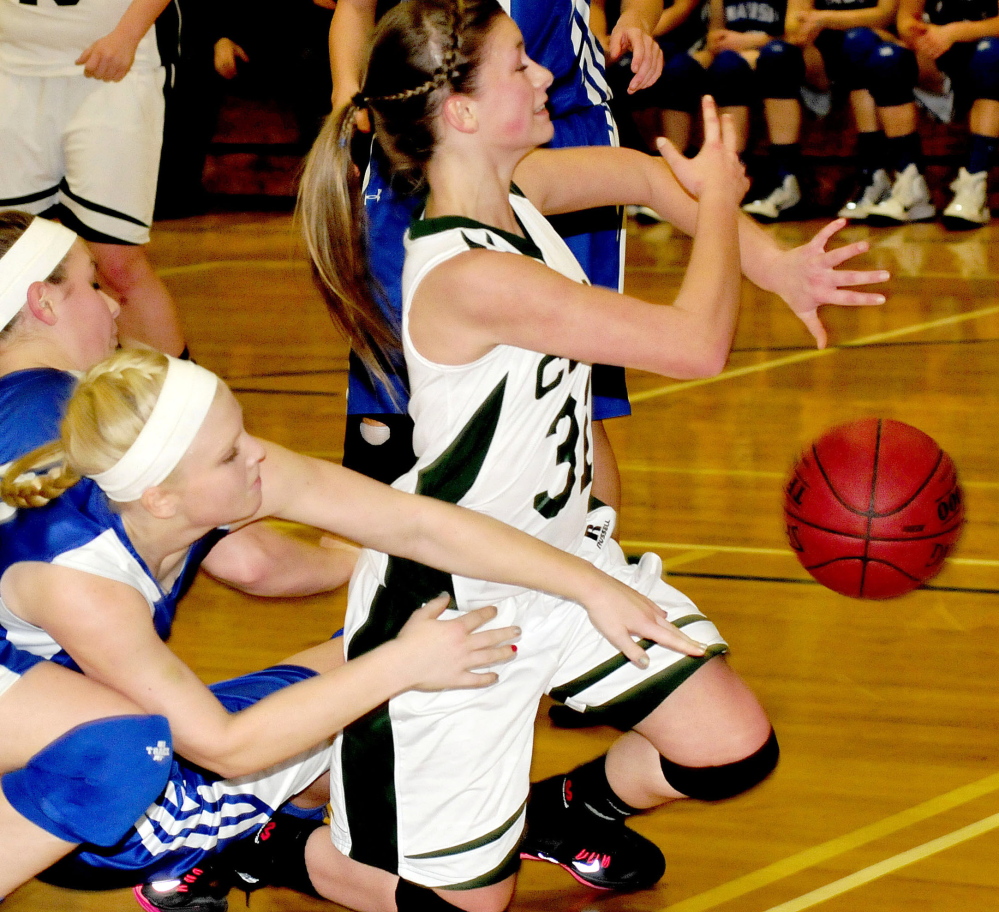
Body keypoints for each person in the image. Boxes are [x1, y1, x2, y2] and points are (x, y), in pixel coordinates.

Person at [297, 2, 891, 909]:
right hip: (463, 596)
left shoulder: (516, 187)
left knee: (730, 748)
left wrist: (777, 268)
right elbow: (692, 346)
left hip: (564, 558)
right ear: (459, 112)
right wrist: (726, 210)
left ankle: (550, 813)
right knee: (462, 908)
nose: (545, 76)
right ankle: (264, 847)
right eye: (517, 70)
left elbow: (649, 181)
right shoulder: (470, 273)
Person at [1, 341, 728, 908]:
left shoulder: (193, 482)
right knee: (130, 753)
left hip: (64, 700)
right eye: (230, 452)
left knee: (380, 660)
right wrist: (401, 665)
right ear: (161, 498)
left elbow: (417, 524)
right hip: (72, 750)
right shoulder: (83, 585)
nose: (258, 454)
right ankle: (234, 840)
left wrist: (588, 584)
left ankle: (278, 824)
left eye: (242, 432)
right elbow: (224, 746)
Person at [329, 0, 665, 517]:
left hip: (557, 125)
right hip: (430, 131)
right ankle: (383, 555)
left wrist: (637, 21)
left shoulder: (538, 81)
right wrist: (346, 93)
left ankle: (590, 565)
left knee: (572, 395)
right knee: (390, 385)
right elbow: (354, 7)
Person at [0, 0, 188, 356]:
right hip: (11, 68)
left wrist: (128, 33)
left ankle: (177, 405)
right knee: (11, 256)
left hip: (115, 71)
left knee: (117, 261)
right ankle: (23, 400)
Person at [740, 0, 902, 221]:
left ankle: (874, 173)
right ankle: (785, 180)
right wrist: (811, 27)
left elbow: (886, 15)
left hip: (871, 43)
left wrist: (825, 19)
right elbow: (793, 23)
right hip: (820, 53)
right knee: (775, 56)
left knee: (859, 41)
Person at [851, 0, 999, 227]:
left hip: (983, 54)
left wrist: (954, 32)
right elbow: (906, 20)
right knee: (886, 59)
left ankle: (973, 185)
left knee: (991, 55)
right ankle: (910, 184)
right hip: (935, 54)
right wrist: (919, 35)